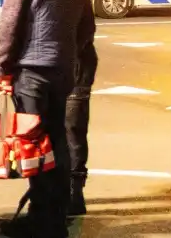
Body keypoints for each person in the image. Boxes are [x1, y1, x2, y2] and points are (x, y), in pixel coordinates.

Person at [0, 0, 96, 238]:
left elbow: (10, 22)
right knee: (59, 143)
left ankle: (40, 220)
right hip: (63, 71)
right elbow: (86, 28)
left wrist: (2, 69)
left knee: (35, 146)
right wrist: (67, 53)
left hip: (31, 72)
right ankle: (56, 217)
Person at [67, 33, 98, 217]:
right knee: (73, 132)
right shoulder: (78, 2)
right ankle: (73, 193)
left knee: (53, 134)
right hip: (78, 62)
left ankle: (69, 194)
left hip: (61, 64)